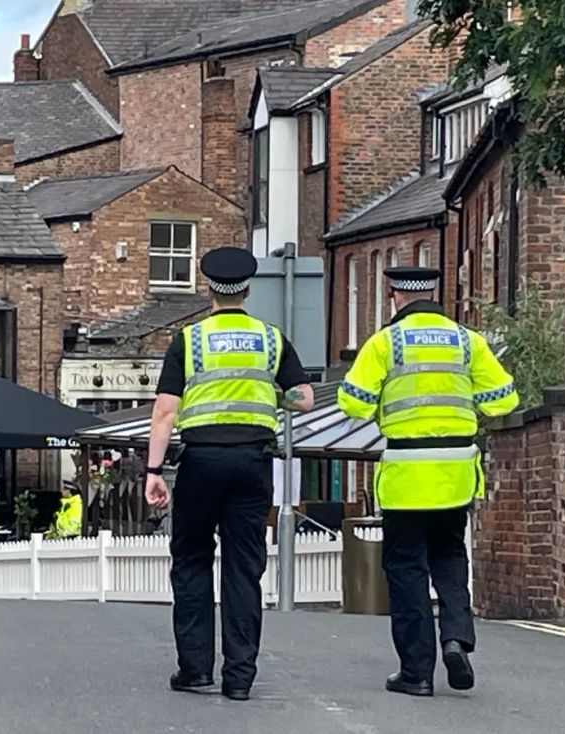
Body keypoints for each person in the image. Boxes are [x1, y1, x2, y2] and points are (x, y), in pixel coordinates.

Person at [337, 266, 518, 697]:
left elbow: (352, 404)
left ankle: (417, 673)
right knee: (450, 558)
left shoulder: (386, 342)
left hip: (406, 475)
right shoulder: (468, 341)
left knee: (406, 569)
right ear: (434, 293)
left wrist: (384, 400)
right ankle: (456, 637)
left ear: (395, 296)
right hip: (455, 471)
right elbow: (504, 400)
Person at [144, 246, 315, 701]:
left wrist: (153, 471)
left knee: (193, 560)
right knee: (244, 569)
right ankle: (239, 678)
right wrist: (268, 396)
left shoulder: (190, 340)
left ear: (210, 289)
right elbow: (303, 397)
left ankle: (196, 669)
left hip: (201, 462)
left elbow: (164, 413)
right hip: (251, 464)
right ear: (247, 289)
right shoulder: (271, 338)